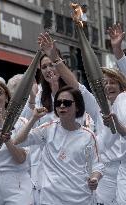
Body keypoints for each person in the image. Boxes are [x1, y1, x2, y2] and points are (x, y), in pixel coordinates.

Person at [38, 32, 126, 205]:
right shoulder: (100, 106)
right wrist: (56, 60)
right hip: (105, 170)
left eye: (113, 82)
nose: (108, 86)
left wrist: (118, 51)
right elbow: (77, 87)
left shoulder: (124, 103)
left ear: (121, 86)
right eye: (105, 83)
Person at [13, 85, 104, 205]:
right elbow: (18, 141)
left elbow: (97, 165)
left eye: (66, 103)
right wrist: (34, 119)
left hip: (80, 198)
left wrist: (94, 178)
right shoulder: (48, 129)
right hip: (51, 199)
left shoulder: (88, 136)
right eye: (58, 103)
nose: (61, 106)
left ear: (77, 107)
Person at [0, 79, 33, 205]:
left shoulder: (21, 122)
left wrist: (7, 139)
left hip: (16, 181)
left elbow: (21, 158)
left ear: (7, 98)